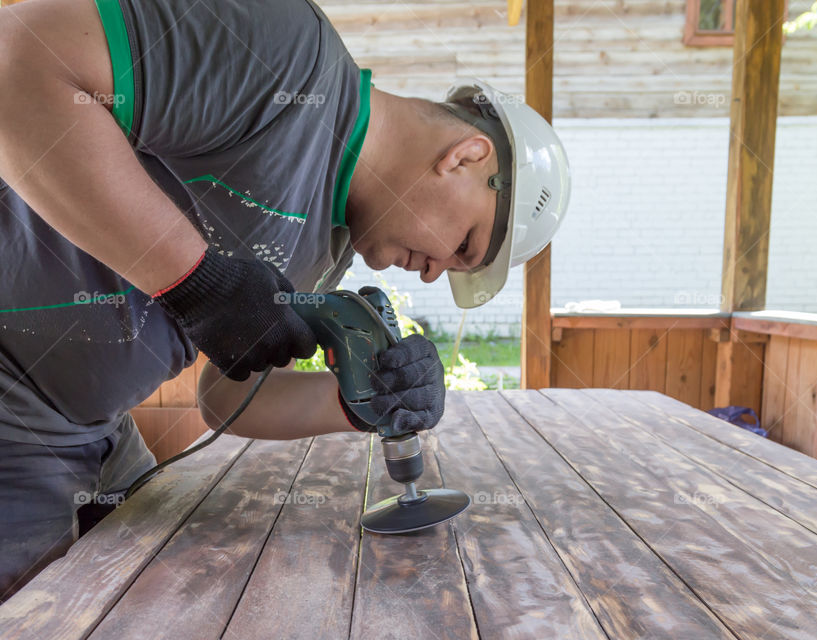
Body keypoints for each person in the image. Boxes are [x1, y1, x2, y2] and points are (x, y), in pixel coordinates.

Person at [0, 0, 570, 599]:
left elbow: (225, 398)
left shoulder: (330, 244)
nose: (436, 275)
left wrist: (356, 402)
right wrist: (195, 280)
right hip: (13, 406)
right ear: (466, 157)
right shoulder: (285, 54)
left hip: (97, 434)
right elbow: (18, 58)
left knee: (168, 592)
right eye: (464, 246)